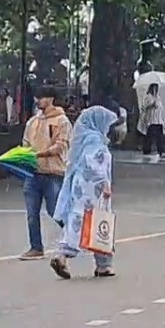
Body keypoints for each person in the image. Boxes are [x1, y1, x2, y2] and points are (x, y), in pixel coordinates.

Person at [50, 106, 117, 279]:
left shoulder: (84, 138)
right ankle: (103, 264)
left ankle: (62, 255)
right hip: (93, 188)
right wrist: (104, 184)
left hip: (80, 186)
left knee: (79, 219)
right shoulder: (95, 140)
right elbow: (95, 163)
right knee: (99, 221)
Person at [19, 86, 72, 260]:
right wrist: (24, 155)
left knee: (54, 210)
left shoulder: (62, 121)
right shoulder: (33, 122)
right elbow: (26, 142)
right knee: (31, 213)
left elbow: (61, 145)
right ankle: (36, 247)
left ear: (50, 99)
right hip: (33, 172)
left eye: (42, 97)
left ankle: (74, 234)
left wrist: (41, 153)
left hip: (53, 172)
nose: (38, 101)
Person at [139, 83, 165, 157]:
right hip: (151, 119)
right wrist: (152, 102)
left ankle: (161, 151)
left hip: (159, 119)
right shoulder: (148, 96)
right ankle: (147, 150)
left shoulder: (158, 97)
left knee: (160, 137)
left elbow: (159, 106)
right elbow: (146, 106)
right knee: (149, 136)